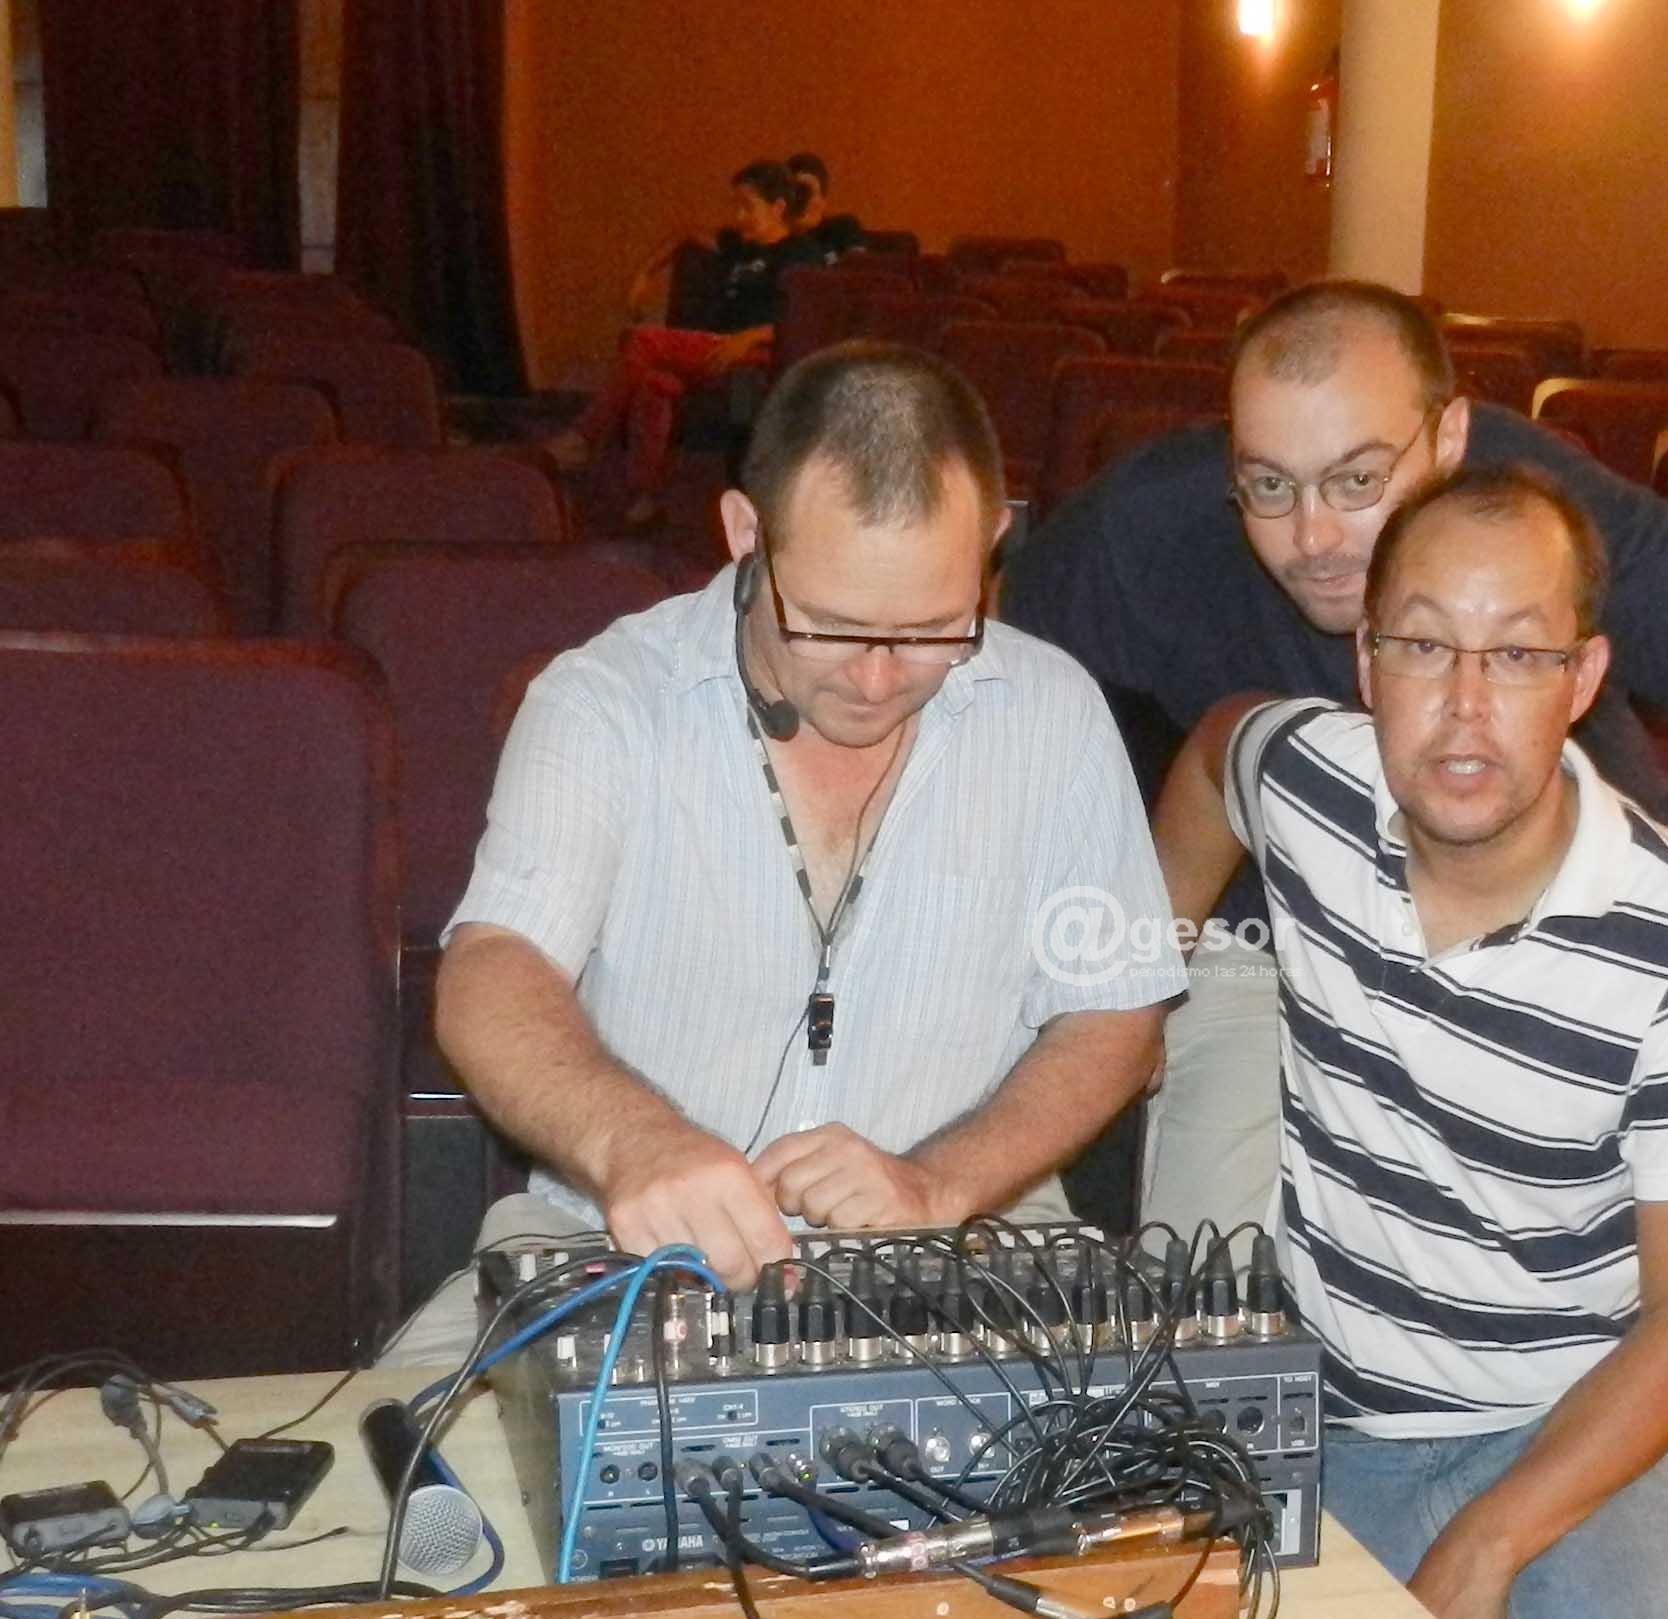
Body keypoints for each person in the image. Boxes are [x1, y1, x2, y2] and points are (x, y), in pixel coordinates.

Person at [1004, 279, 1668, 1361]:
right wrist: (1132, 976)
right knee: (1222, 1325)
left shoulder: (1547, 518)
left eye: (1357, 479)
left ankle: (1549, 1436)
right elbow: (1010, 716)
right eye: (1268, 484)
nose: (1312, 535)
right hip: (1276, 947)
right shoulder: (1148, 526)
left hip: (1575, 941)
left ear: (1447, 439)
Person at [385, 342, 1181, 1363]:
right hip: (614, 1248)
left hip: (971, 1244)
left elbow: (1115, 1012)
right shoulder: (604, 702)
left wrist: (938, 1182)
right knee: (394, 1449)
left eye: (936, 629)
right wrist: (633, 1142)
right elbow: (493, 970)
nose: (879, 679)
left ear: (991, 542)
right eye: (833, 627)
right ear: (745, 534)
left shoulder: (1055, 712)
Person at [1153, 463, 1668, 1619]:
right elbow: (1212, 755)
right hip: (1334, 1406)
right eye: (1424, 646)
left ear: (1581, 679)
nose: (1463, 704)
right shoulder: (1307, 779)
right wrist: (1142, 979)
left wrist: (1486, 1543)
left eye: (1517, 655)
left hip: (1582, 1417)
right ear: (1365, 663)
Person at [544, 161, 826, 529]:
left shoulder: (800, 254)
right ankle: (645, 498)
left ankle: (585, 437)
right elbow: (684, 235)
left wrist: (750, 337)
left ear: (778, 208)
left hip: (757, 354)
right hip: (713, 350)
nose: (739, 216)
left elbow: (807, 317)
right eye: (736, 206)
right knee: (654, 385)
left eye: (748, 207)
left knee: (645, 340)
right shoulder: (739, 247)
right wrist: (644, 274)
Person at [785, 152, 867, 263]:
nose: (804, 198)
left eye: (808, 191)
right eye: (798, 192)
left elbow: (858, 267)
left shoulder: (843, 228)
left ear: (823, 199)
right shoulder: (775, 237)